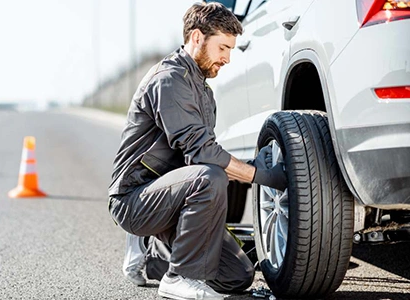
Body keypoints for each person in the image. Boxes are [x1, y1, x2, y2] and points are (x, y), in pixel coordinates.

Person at [108, 2, 287, 300]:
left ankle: (153, 257)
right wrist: (259, 175)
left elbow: (198, 157)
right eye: (223, 48)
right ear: (196, 38)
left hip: (170, 195)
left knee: (237, 276)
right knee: (209, 178)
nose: (228, 58)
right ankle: (180, 278)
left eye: (230, 49)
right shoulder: (169, 80)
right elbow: (203, 157)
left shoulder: (203, 91)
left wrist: (247, 166)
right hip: (134, 198)